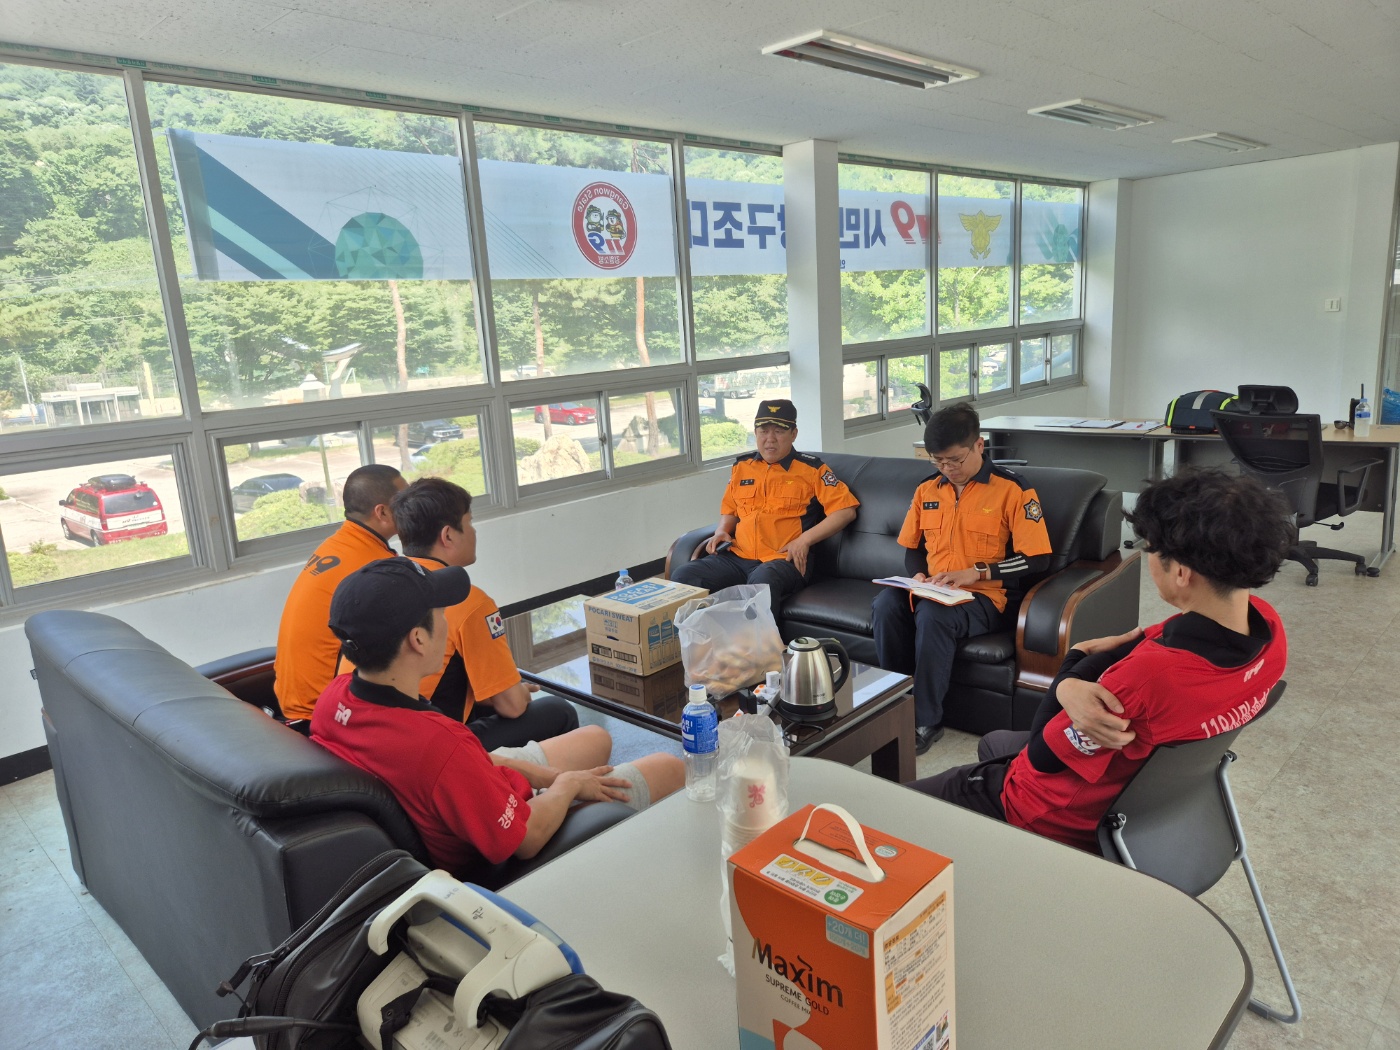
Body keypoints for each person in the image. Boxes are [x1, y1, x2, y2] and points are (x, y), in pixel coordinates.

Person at [909, 468, 1291, 852]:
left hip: (1047, 811)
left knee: (898, 803)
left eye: (1149, 549)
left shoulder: (1145, 681)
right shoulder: (1267, 628)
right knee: (994, 742)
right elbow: (1139, 640)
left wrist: (1068, 674)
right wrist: (1078, 682)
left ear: (1180, 572)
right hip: (1138, 800)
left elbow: (1042, 757)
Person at [309, 558, 684, 875]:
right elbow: (527, 839)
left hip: (466, 791)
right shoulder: (439, 744)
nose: (446, 621)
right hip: (502, 856)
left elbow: (468, 763)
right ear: (418, 639)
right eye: (441, 613)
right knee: (670, 767)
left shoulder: (334, 699)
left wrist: (551, 777)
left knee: (596, 739)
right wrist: (567, 787)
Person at [873, 403, 1053, 754]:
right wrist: (918, 576)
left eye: (955, 460)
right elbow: (913, 548)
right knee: (885, 605)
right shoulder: (927, 489)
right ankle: (893, 704)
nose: (948, 469)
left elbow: (1037, 558)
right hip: (936, 589)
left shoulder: (1012, 489)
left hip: (986, 597)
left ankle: (925, 720)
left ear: (979, 445)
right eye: (938, 462)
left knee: (933, 616)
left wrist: (977, 572)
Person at [390, 476, 579, 750]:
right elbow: (513, 707)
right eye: (469, 522)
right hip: (428, 746)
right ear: (448, 535)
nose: (474, 531)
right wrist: (517, 692)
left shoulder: (384, 581)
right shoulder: (468, 601)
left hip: (379, 733)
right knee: (558, 711)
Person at [671, 399, 859, 617]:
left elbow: (845, 511)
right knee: (684, 577)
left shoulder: (812, 469)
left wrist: (804, 540)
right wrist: (722, 530)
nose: (770, 439)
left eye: (779, 431)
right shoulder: (742, 467)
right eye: (763, 431)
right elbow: (731, 508)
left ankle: (760, 640)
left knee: (761, 583)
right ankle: (702, 638)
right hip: (738, 556)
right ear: (755, 433)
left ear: (794, 434)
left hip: (782, 560)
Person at [274, 464, 407, 721]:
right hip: (324, 714)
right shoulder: (375, 567)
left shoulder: (337, 545)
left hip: (292, 703)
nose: (412, 507)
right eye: (404, 501)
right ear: (382, 512)